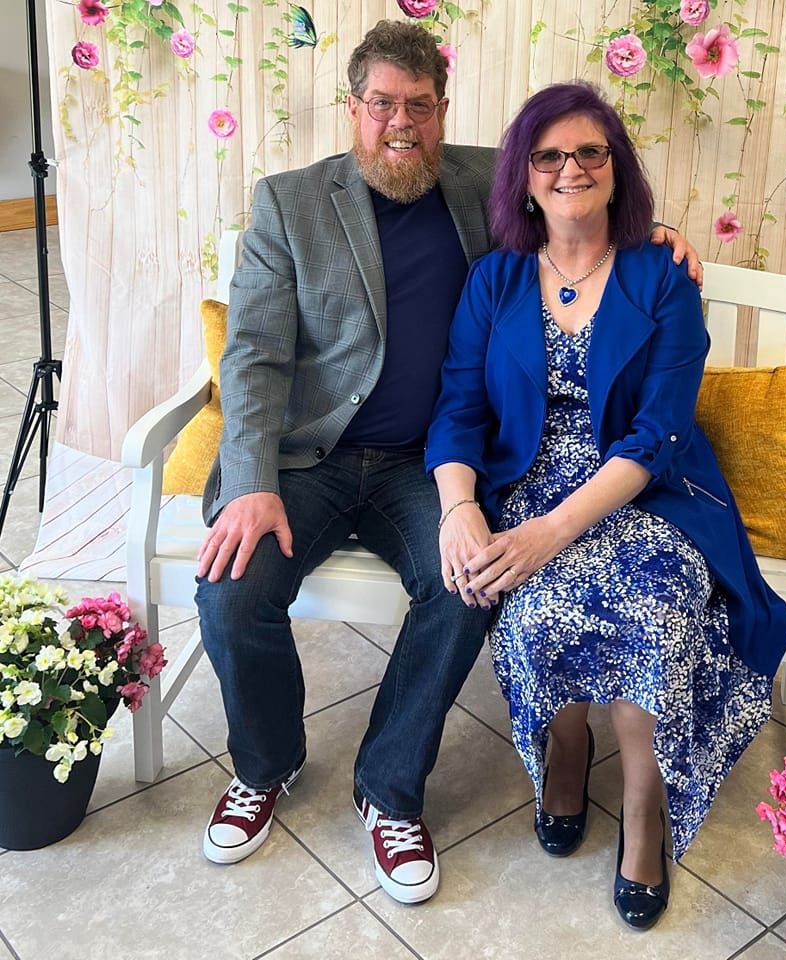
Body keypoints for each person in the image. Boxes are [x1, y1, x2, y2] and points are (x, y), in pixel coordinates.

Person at [193, 21, 701, 905]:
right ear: (352, 107)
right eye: (382, 104)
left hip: (428, 462)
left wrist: (652, 231)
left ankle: (388, 789)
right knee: (232, 590)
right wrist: (249, 484)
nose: (402, 123)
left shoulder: (478, 179)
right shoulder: (289, 203)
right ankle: (265, 765)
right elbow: (254, 360)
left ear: (441, 109)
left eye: (420, 106)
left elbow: (574, 186)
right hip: (310, 457)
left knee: (469, 582)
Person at [426, 81, 786, 928]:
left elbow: (659, 431)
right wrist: (458, 508)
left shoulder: (660, 275)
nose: (571, 169)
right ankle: (567, 748)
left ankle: (642, 807)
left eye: (590, 151)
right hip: (527, 485)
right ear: (523, 177)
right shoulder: (494, 280)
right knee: (531, 612)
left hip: (646, 493)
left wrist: (549, 533)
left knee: (652, 617)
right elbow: (457, 410)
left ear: (616, 168)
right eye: (549, 155)